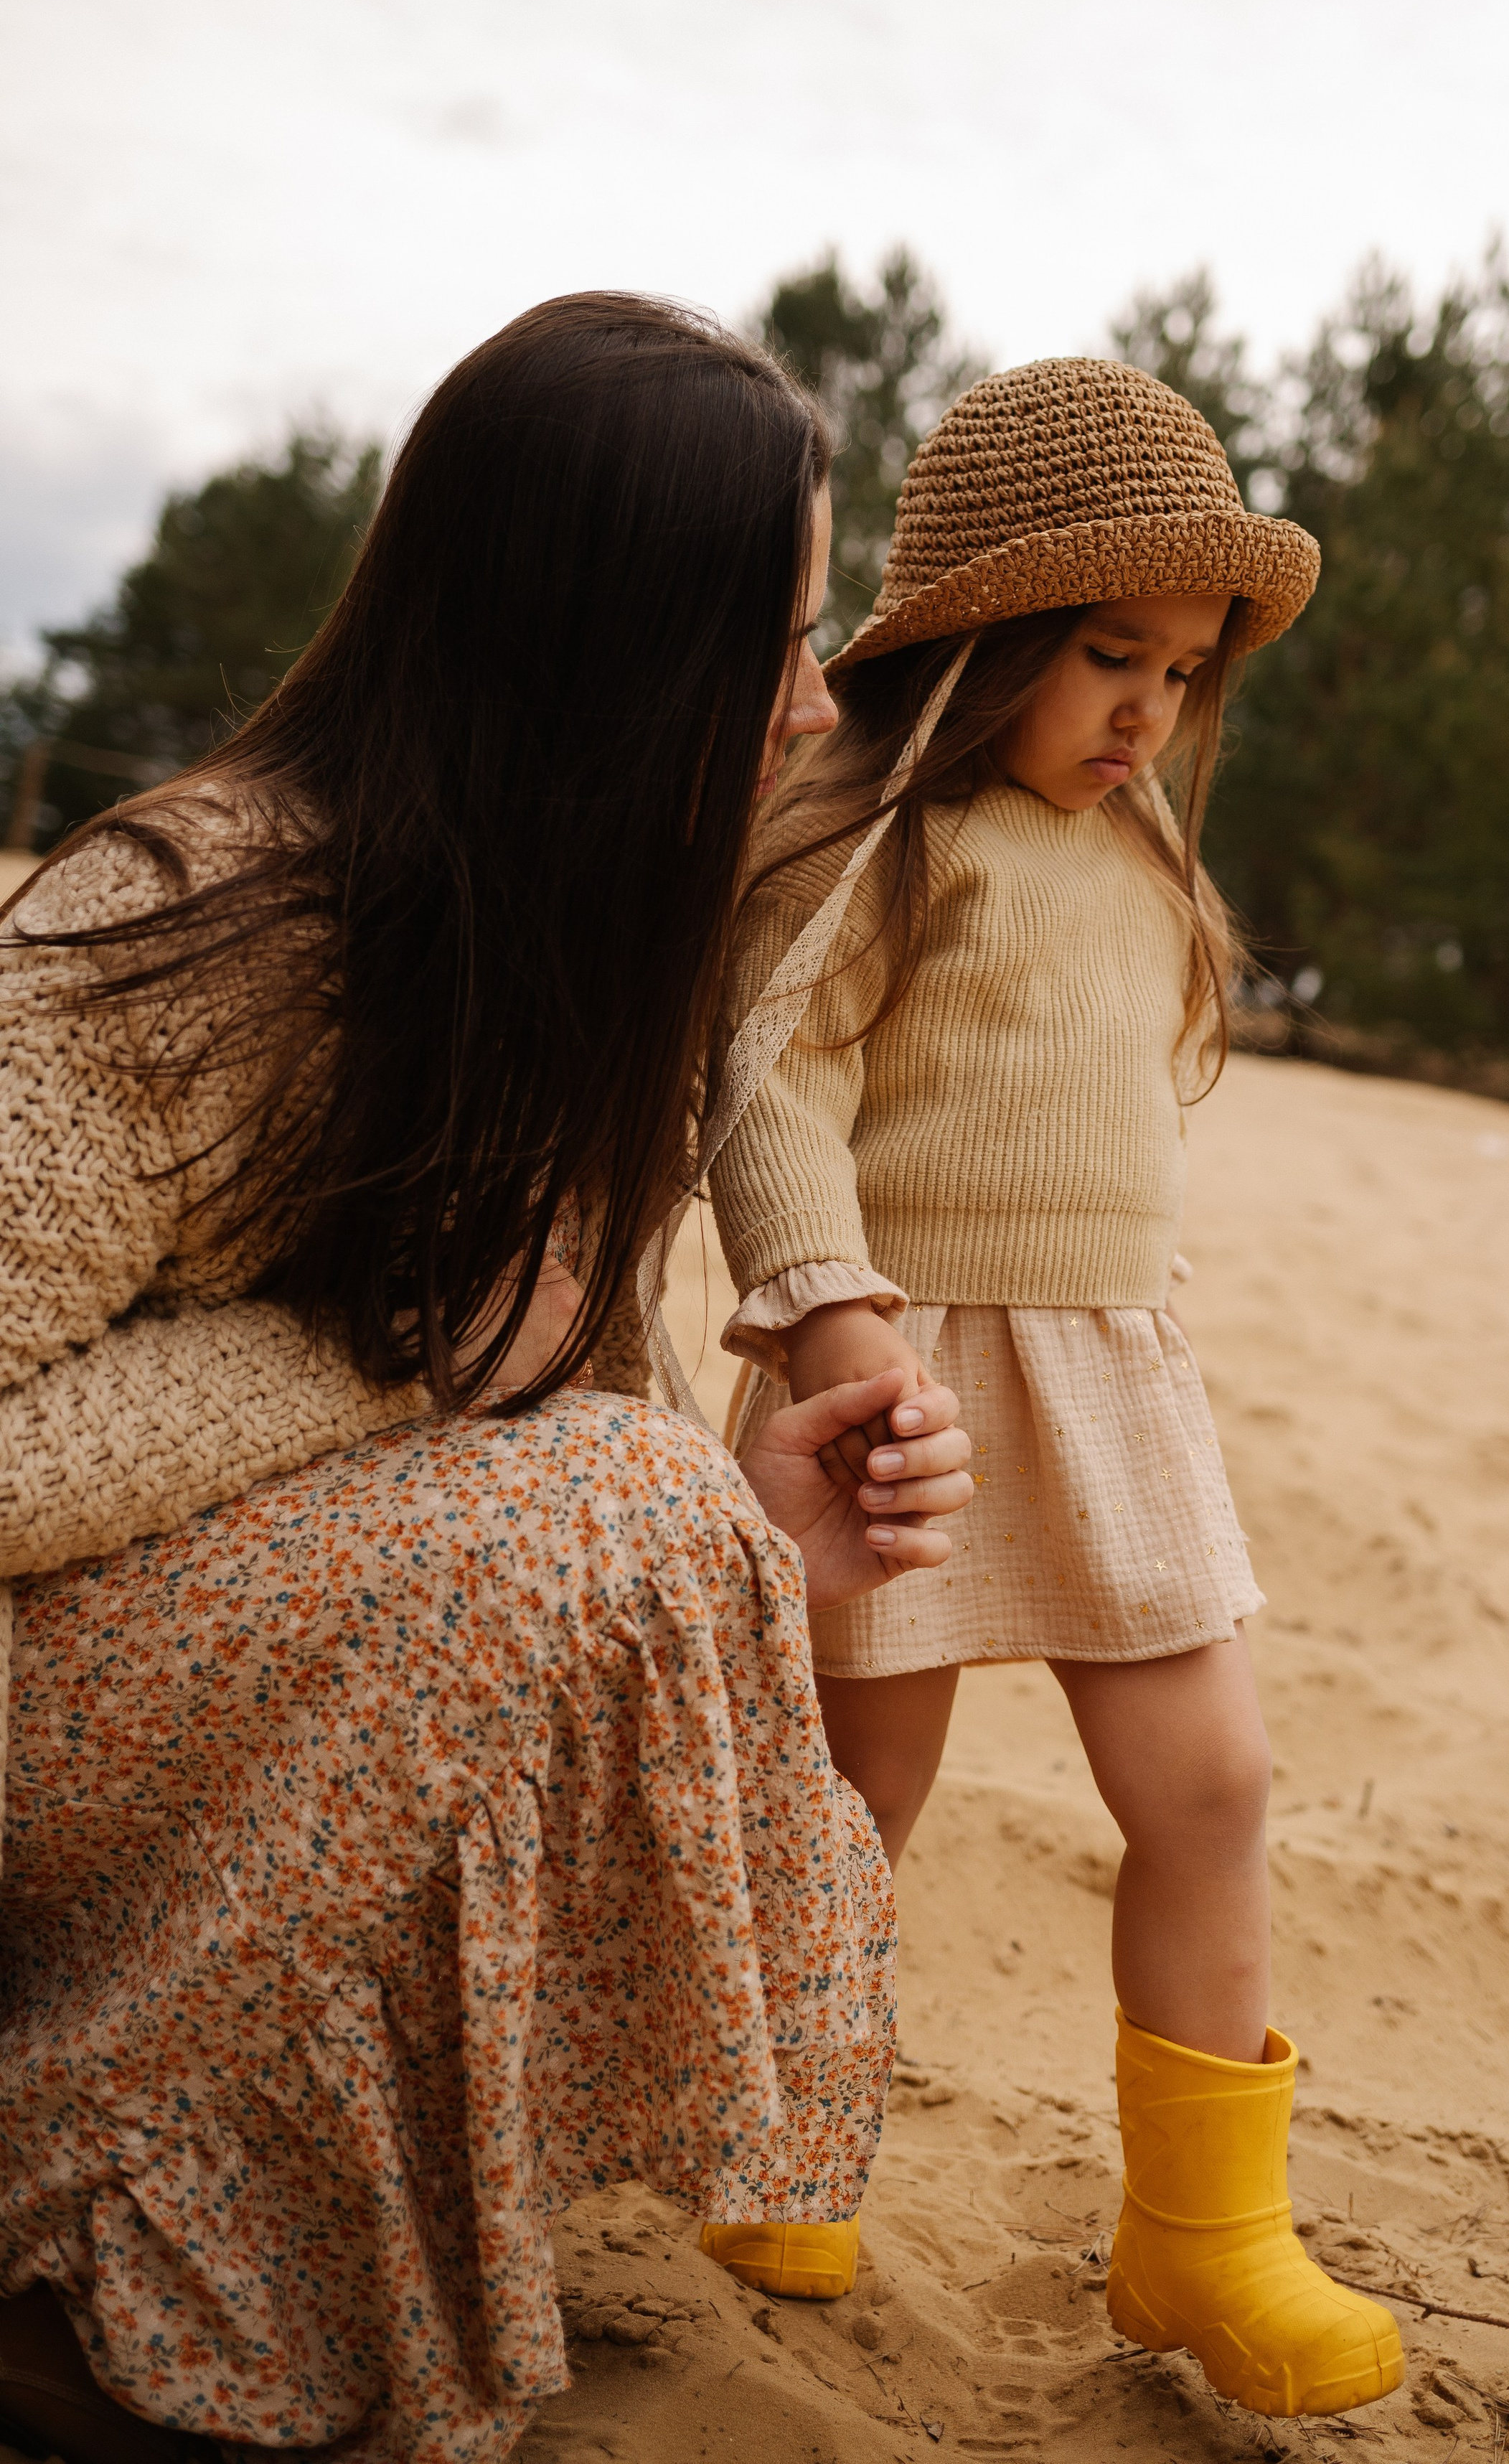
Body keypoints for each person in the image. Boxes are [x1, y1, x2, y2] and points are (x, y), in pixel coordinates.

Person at [0, 292, 973, 2464]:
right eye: (773, 643)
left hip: (217, 1695)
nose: (814, 706)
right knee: (615, 1512)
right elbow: (435, 1385)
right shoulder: (187, 924)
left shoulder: (563, 945)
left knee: (650, 1520)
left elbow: (541, 1426)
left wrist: (753, 1543)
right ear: (606, 653)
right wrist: (383, 1355)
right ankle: (70, 2218)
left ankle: (234, 2258)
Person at [706, 357, 1404, 2419]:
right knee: (858, 1791)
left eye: (1182, 674)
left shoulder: (1140, 857)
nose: (1147, 712)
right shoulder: (879, 846)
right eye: (1110, 656)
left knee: (1212, 1784)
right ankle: (782, 2147)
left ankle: (1204, 2232)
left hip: (1111, 1378)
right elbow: (769, 1089)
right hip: (898, 1376)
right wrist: (831, 1323)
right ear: (981, 638)